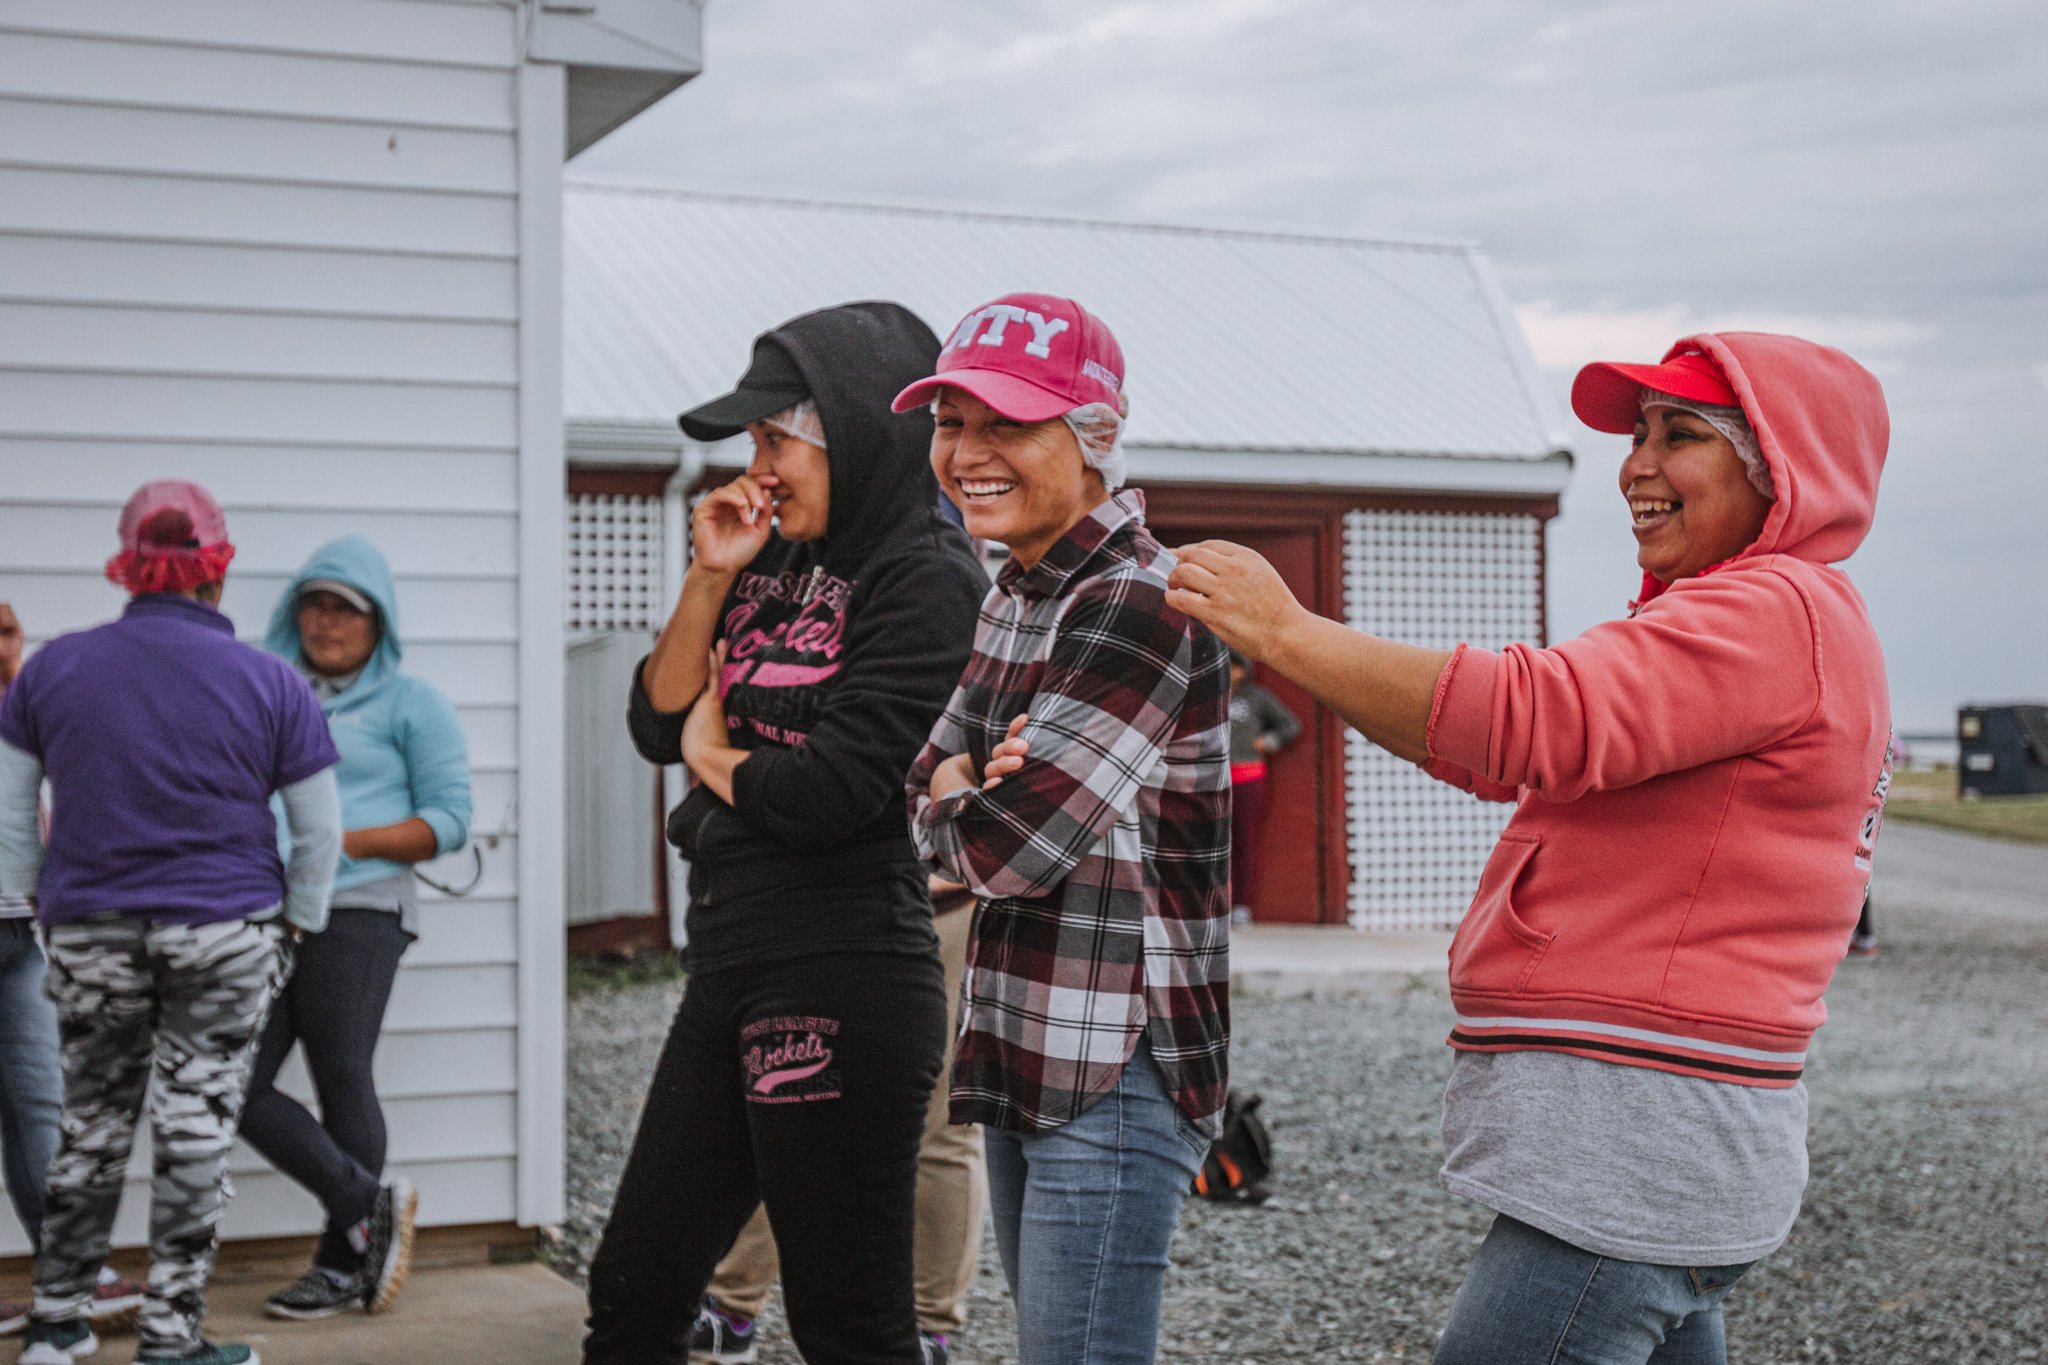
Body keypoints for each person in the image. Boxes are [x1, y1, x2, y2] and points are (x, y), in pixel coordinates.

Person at [1167, 333, 1891, 1365]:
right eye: (1637, 433)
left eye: (1679, 433)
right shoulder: (1788, 618)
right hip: (1672, 1136)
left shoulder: (1769, 609)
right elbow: (1502, 753)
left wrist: (1284, 633)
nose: (1636, 464)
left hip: (1633, 1145)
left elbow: (1525, 721)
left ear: (1785, 474)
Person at [582, 302, 987, 1365]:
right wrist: (711, 573)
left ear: (851, 431)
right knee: (633, 1288)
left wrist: (710, 755)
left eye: (775, 438)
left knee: (847, 1327)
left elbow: (830, 793)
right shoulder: (771, 556)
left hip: (842, 965)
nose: (754, 466)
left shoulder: (927, 573)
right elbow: (650, 719)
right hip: (733, 958)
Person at [899, 293, 1233, 1365]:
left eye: (1006, 423)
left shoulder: (1136, 598)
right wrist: (959, 787)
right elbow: (916, 787)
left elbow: (1004, 849)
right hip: (1023, 1033)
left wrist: (958, 796)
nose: (966, 452)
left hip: (1115, 1057)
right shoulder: (1017, 590)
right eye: (951, 422)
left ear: (1092, 438)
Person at [0, 482, 344, 1365]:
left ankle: (54, 1327)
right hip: (227, 928)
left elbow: (9, 813)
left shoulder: (52, 668)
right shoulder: (272, 679)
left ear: (127, 568)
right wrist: (294, 927)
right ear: (217, 571)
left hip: (90, 928)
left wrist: (38, 907)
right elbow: (319, 832)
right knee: (195, 1128)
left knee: (92, 1124)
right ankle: (169, 1339)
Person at [238, 536, 473, 1320]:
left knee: (341, 1070)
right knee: (231, 1080)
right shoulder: (270, 695)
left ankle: (342, 1264)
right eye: (314, 601)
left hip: (363, 907)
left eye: (346, 606)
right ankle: (368, 1206)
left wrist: (342, 842)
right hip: (268, 914)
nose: (326, 620)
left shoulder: (412, 703)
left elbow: (448, 821)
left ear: (379, 622)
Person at [688, 869, 987, 1365]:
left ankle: (927, 1329)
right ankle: (731, 1309)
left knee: (941, 1125)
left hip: (942, 900)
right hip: (817, 903)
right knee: (782, 1097)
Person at [0, 606, 147, 1339]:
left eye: (5, 629)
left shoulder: (25, 712)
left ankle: (74, 1281)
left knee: (38, 1105)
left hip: (19, 934)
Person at [1225, 649, 1301, 924]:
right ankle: (1216, 905)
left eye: (1236, 666)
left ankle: (1241, 907)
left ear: (1244, 669)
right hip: (1215, 780)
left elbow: (1291, 725)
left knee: (1244, 841)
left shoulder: (1257, 697)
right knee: (1214, 843)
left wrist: (1267, 742)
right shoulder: (1208, 697)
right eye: (1227, 666)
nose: (1231, 672)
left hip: (1249, 777)